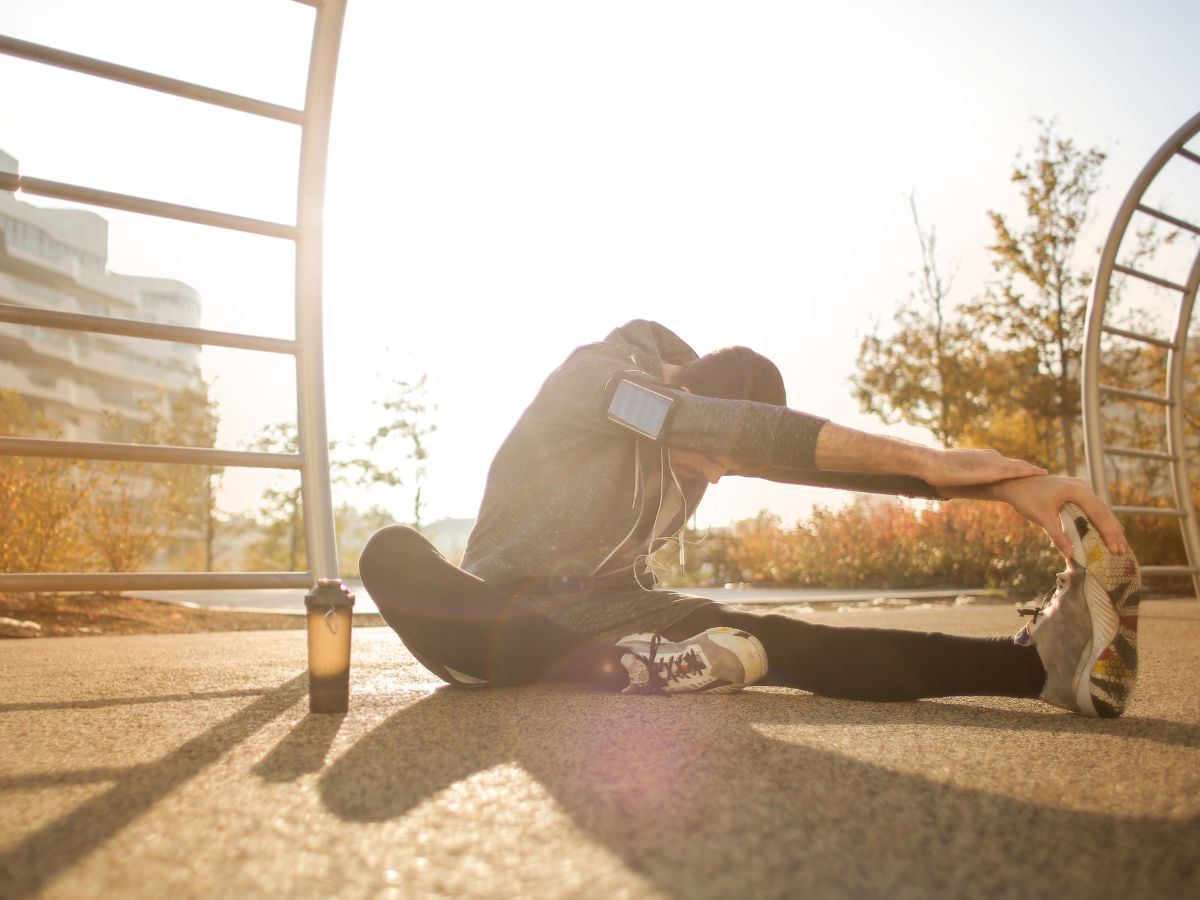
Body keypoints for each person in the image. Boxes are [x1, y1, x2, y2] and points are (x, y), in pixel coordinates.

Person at [359, 321, 1140, 718]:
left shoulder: (700, 429)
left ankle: (1038, 668)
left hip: (619, 617)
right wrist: (932, 460)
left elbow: (797, 455)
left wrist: (1001, 488)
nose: (720, 475)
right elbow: (714, 431)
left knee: (783, 638)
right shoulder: (600, 383)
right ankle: (626, 668)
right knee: (390, 552)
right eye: (717, 456)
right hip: (490, 622)